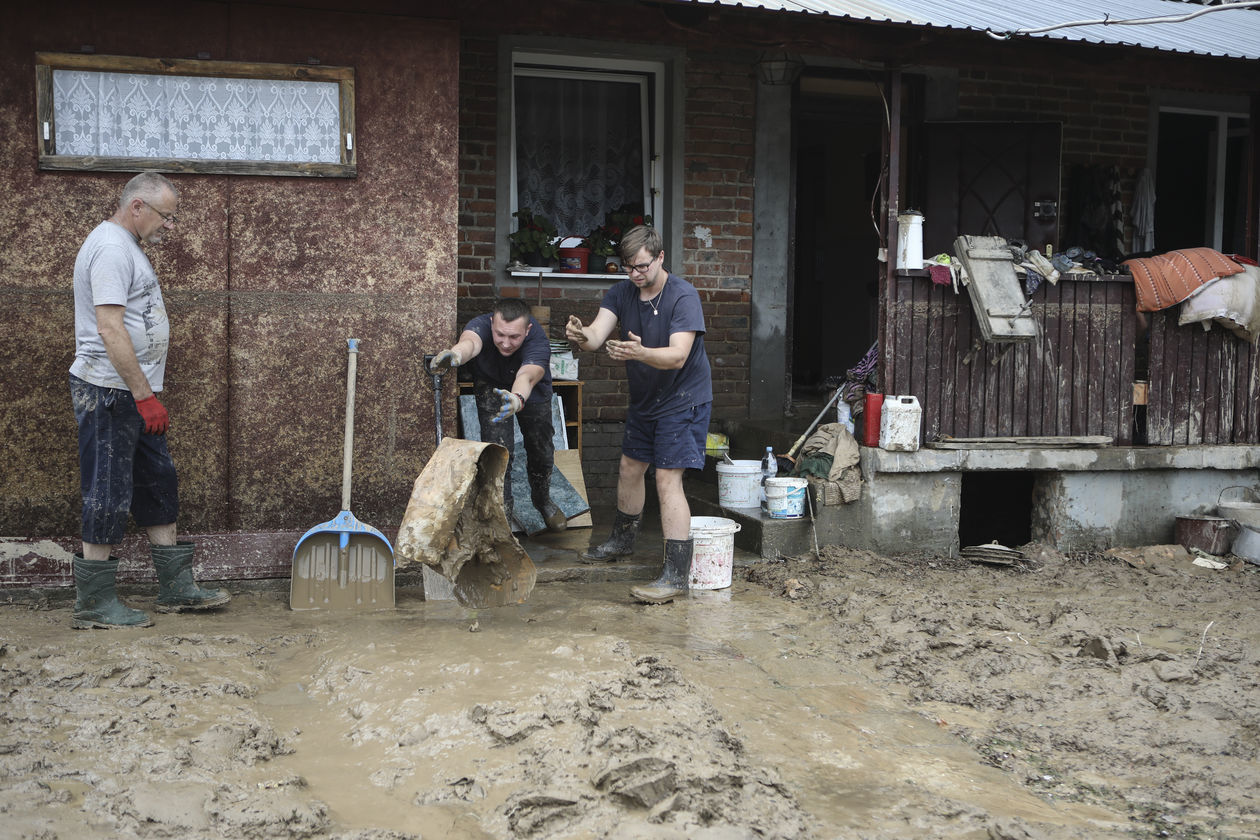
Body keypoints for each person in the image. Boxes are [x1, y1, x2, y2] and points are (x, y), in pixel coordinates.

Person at [69, 171, 230, 629]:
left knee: (158, 481)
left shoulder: (127, 247)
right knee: (107, 490)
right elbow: (109, 327)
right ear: (137, 207)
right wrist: (143, 397)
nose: (168, 226)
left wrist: (143, 395)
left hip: (133, 394)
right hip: (110, 392)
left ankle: (176, 588)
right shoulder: (112, 248)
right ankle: (94, 604)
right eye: (165, 216)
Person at [565, 225, 713, 604]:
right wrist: (580, 336)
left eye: (642, 266)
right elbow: (597, 336)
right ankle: (621, 541)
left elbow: (678, 355)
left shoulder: (683, 296)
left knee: (667, 478)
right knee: (630, 468)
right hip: (647, 399)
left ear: (660, 257)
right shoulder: (621, 292)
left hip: (684, 398)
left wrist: (640, 353)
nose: (635, 274)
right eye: (628, 267)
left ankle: (675, 574)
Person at [430, 297, 566, 532]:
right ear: (492, 323)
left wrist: (517, 398)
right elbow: (470, 344)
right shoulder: (480, 326)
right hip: (491, 386)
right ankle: (503, 522)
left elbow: (527, 376)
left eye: (514, 337)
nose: (505, 343)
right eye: (500, 334)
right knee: (499, 455)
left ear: (528, 329)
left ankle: (542, 500)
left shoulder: (538, 340)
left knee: (541, 451)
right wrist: (456, 355)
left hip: (529, 392)